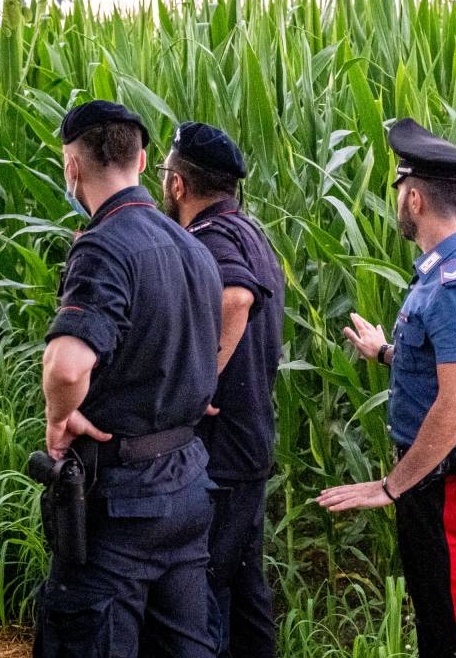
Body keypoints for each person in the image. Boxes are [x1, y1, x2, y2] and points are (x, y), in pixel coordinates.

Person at [317, 118, 456, 658]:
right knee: (440, 635)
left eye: (398, 194)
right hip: (438, 484)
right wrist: (386, 353)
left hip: (452, 489)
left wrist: (390, 486)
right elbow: (446, 368)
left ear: (413, 200)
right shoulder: (441, 272)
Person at [34, 100, 223, 658]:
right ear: (142, 161)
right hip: (188, 485)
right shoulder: (195, 248)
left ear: (72, 169)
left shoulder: (104, 245)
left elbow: (67, 365)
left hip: (121, 500)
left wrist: (59, 418)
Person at [161, 122, 285, 658]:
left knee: (204, 593)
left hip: (223, 452)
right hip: (248, 444)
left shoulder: (211, 239)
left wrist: (201, 379)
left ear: (179, 186)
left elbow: (236, 298)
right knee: (244, 590)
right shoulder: (249, 231)